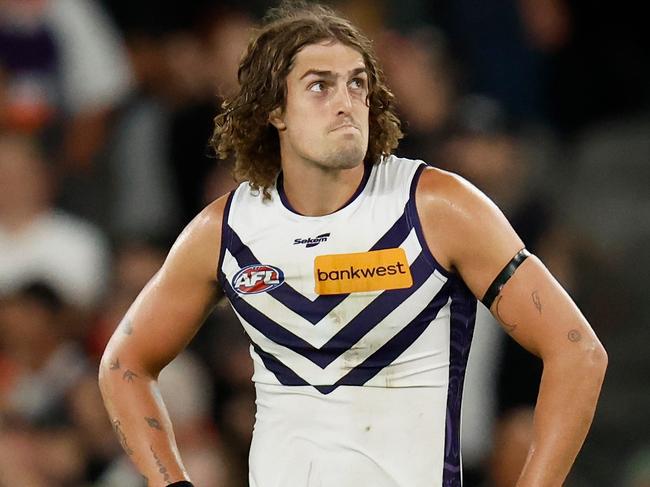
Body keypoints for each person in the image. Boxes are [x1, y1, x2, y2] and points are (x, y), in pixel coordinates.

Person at [98, 3, 607, 486]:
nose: (346, 102)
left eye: (358, 84)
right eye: (320, 86)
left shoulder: (436, 207)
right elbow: (124, 366)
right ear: (275, 108)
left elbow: (577, 351)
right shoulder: (226, 229)